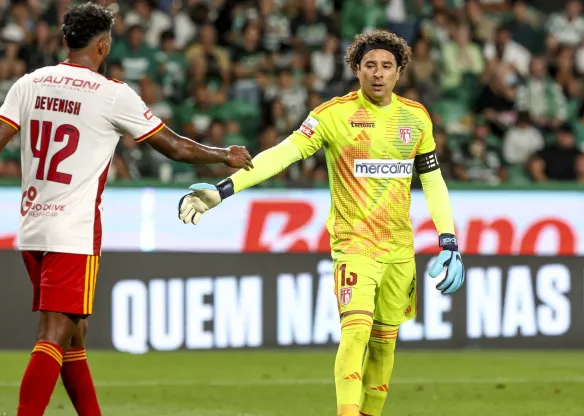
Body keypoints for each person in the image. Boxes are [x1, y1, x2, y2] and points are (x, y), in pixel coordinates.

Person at [0, 3, 252, 416]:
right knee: (53, 335)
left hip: (31, 229)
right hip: (74, 231)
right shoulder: (112, 94)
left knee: (72, 336)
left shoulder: (29, 83)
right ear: (103, 45)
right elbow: (172, 145)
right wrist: (223, 154)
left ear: (66, 41)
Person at [177, 29, 465, 416]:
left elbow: (431, 179)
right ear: (356, 70)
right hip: (354, 245)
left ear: (399, 73)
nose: (378, 74)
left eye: (387, 67)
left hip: (399, 249)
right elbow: (281, 155)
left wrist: (449, 240)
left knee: (384, 343)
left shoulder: (416, 119)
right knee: (356, 331)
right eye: (370, 66)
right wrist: (223, 189)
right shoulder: (332, 116)